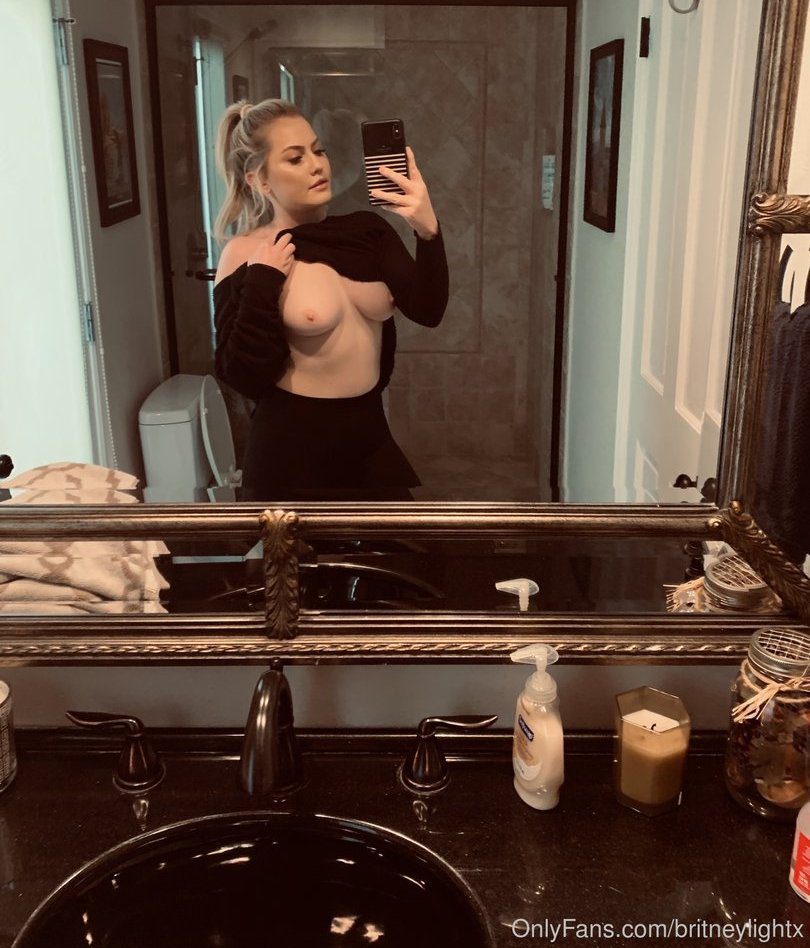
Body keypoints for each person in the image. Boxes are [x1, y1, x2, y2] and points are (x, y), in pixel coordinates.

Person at [212, 99, 449, 501]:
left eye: (318, 151)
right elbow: (241, 375)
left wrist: (428, 231)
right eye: (295, 158)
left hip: (370, 441)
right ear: (260, 180)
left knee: (406, 543)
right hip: (289, 456)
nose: (317, 165)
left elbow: (428, 310)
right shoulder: (246, 252)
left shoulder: (367, 232)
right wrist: (263, 279)